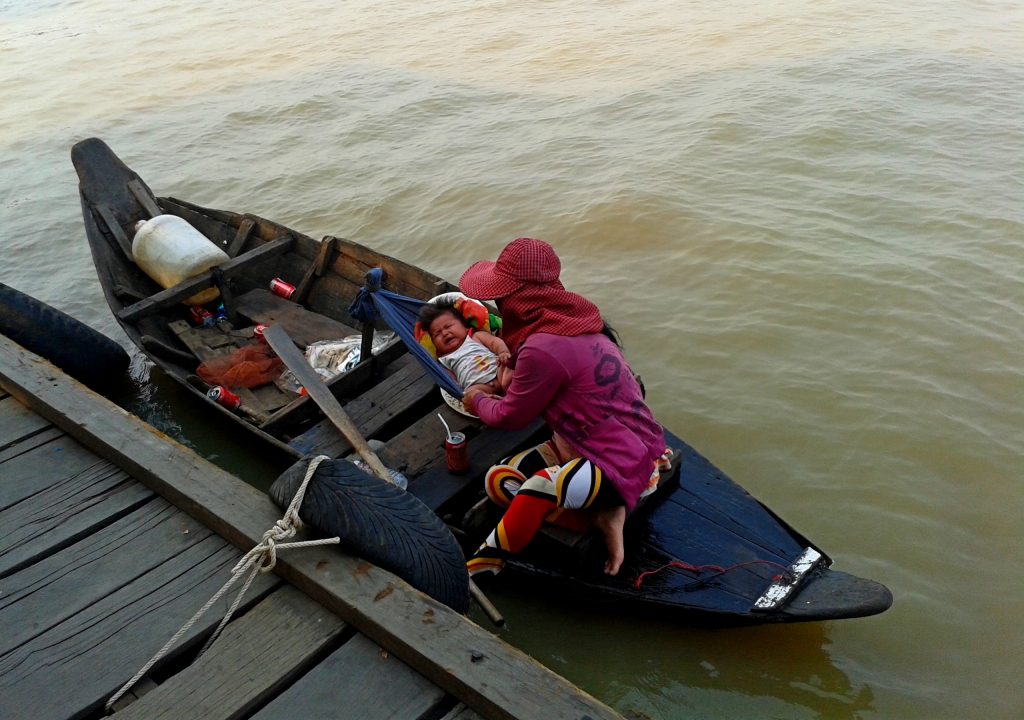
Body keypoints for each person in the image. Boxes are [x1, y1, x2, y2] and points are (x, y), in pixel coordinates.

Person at [459, 237, 667, 577]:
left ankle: (481, 568)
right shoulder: (576, 322)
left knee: (536, 487)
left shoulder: (541, 348)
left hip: (622, 460)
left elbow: (511, 416)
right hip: (586, 443)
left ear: (516, 299)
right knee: (498, 481)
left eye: (502, 296)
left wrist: (477, 399)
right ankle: (597, 517)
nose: (498, 302)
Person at [417, 300, 513, 395]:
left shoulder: (476, 337)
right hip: (477, 386)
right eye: (437, 334)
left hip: (497, 370)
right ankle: (495, 404)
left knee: (510, 368)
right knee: (470, 395)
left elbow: (495, 342)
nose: (444, 333)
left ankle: (514, 393)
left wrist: (503, 352)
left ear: (465, 326)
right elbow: (451, 381)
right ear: (435, 344)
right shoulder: (444, 360)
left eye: (448, 326)